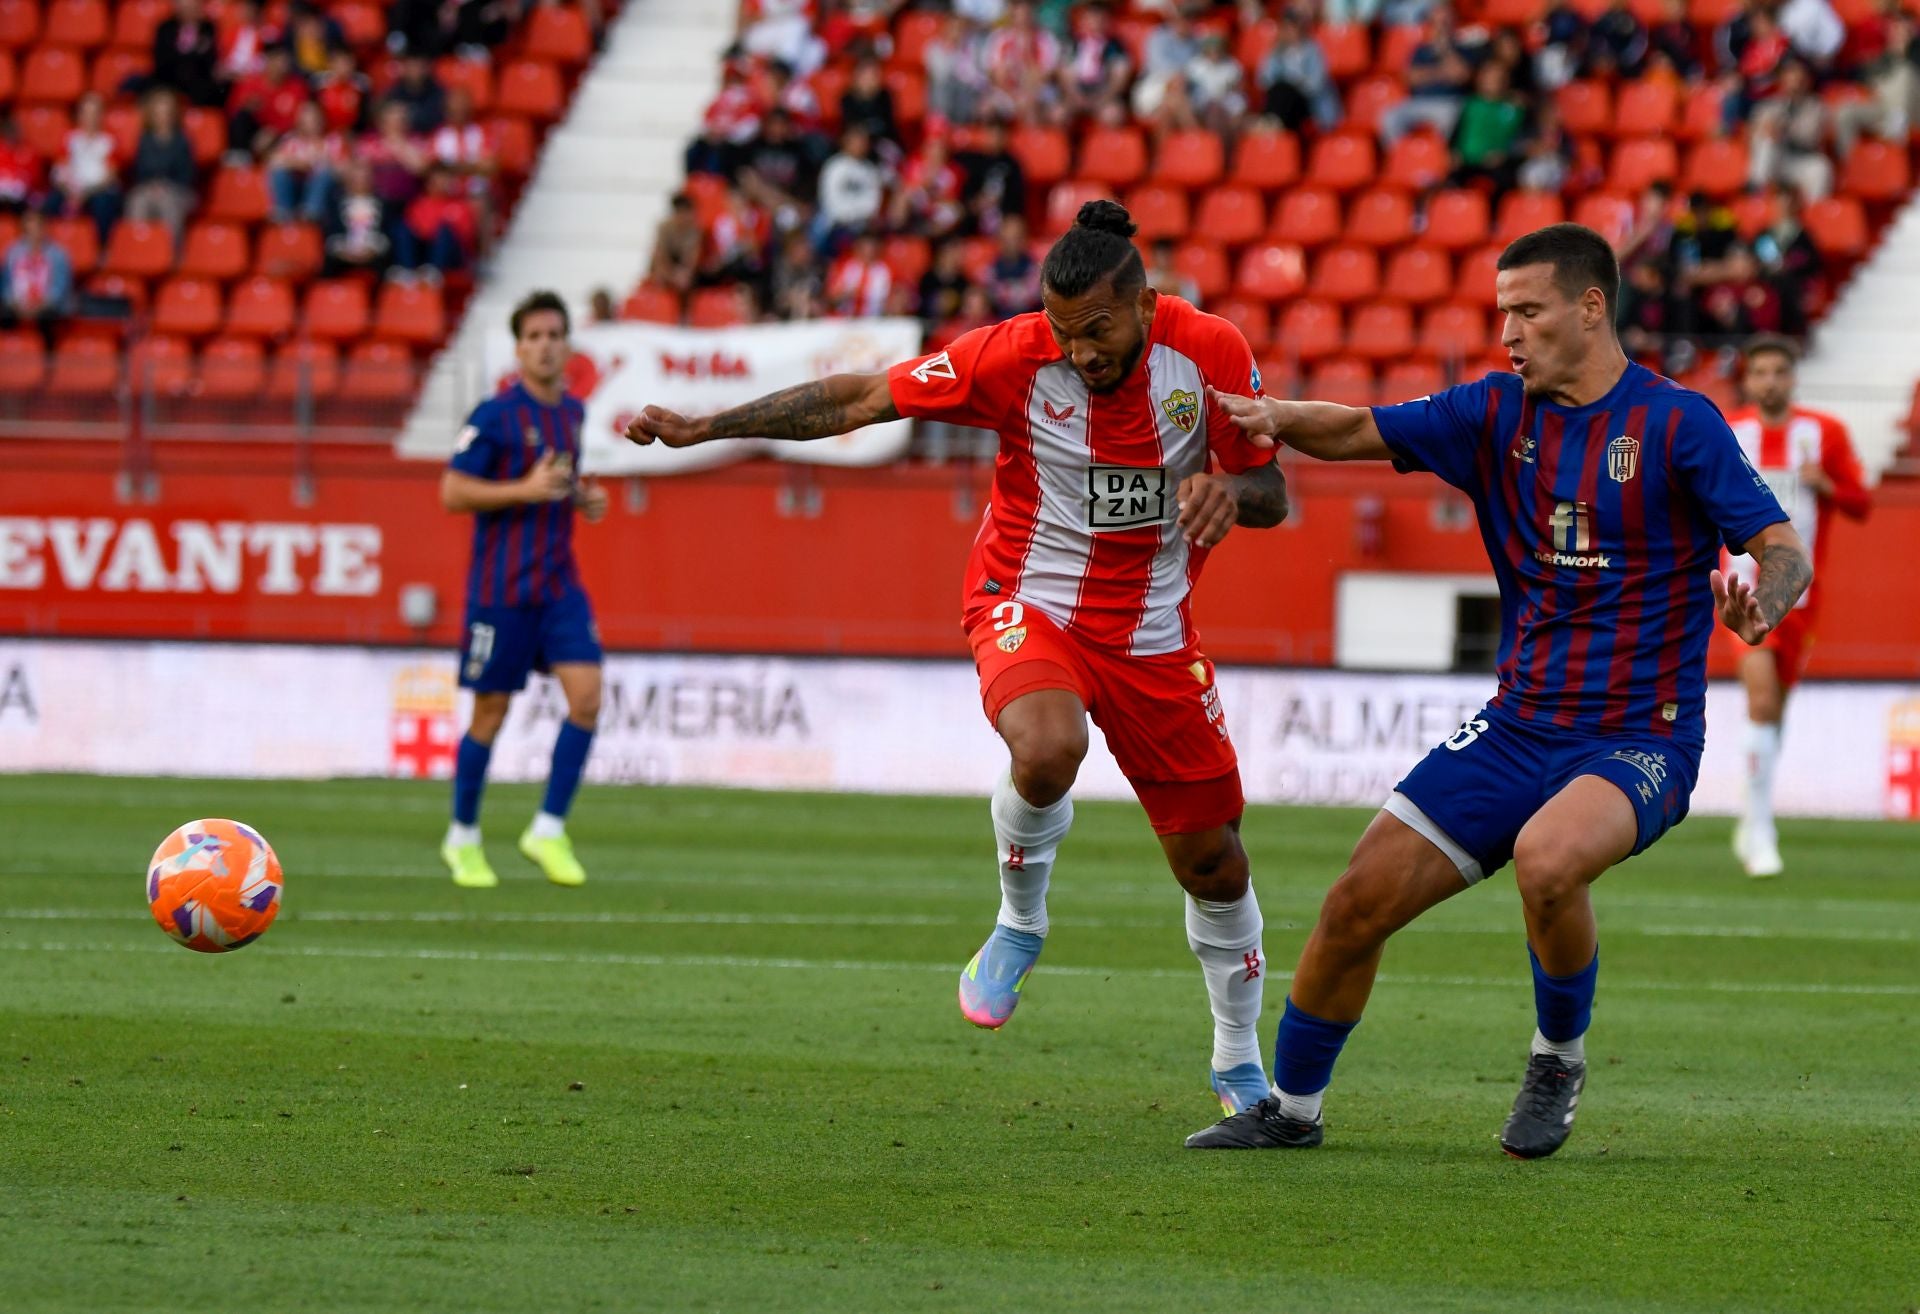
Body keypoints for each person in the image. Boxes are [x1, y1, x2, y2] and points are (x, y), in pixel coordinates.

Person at [625, 201, 1292, 1125]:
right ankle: (1019, 921)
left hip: (1152, 632)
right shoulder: (1011, 356)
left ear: (1145, 304)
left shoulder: (1210, 352)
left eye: (1098, 330)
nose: (1080, 352)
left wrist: (1230, 492)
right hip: (1029, 600)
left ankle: (1237, 1059)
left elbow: (1271, 489)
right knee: (1047, 748)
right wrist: (710, 428)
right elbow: (862, 399)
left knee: (1214, 863)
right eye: (1064, 332)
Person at [1184, 223, 1811, 1158]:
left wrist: (1764, 606)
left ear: (1591, 307)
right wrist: (1269, 416)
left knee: (1548, 861)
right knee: (1356, 900)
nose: (1509, 332)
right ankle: (1292, 1109)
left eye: (1528, 310)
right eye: (1501, 312)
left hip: (1640, 737)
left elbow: (1782, 548)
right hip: (1517, 726)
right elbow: (1354, 428)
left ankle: (1557, 1057)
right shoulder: (1491, 412)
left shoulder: (1680, 423)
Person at [440, 290, 609, 890]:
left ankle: (548, 829)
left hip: (558, 584)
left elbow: (554, 481)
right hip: (501, 589)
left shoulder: (573, 414)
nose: (545, 347)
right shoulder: (495, 415)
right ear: (518, 348)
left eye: (554, 335)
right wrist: (523, 490)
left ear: (568, 345)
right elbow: (453, 491)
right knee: (490, 713)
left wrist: (581, 498)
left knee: (587, 698)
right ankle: (463, 837)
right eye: (534, 337)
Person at [1722, 336, 1869, 878]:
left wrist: (1825, 484)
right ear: (1748, 379)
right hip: (1741, 593)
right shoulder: (1728, 432)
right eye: (1760, 371)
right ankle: (1760, 829)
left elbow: (1861, 503)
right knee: (1761, 701)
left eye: (1779, 371)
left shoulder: (1824, 433)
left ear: (1792, 377)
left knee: (1776, 709)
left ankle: (1752, 814)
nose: (1770, 381)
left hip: (1802, 596)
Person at [2, 209, 75, 348]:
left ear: (44, 228)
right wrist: (16, 304)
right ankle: (9, 350)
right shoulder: (13, 252)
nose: (33, 232)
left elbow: (59, 290)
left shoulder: (59, 254)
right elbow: (6, 285)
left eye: (36, 227)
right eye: (28, 228)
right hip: (17, 305)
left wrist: (39, 306)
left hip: (48, 306)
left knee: (48, 318)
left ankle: (48, 355)